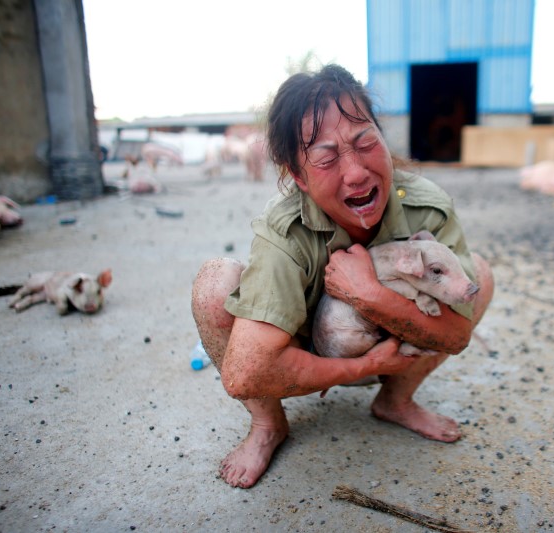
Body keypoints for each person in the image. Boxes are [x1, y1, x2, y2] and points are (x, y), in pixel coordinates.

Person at [191, 64, 495, 489]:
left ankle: (395, 400)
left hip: (396, 342)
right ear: (298, 176)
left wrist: (369, 295)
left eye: (365, 141)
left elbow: (456, 336)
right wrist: (364, 366)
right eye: (326, 156)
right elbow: (244, 374)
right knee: (214, 284)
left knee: (478, 271)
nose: (355, 172)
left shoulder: (426, 207)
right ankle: (267, 426)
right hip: (304, 354)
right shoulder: (283, 230)